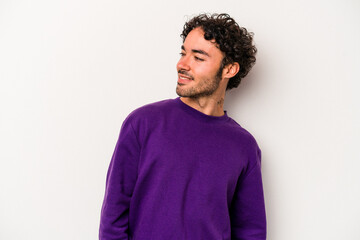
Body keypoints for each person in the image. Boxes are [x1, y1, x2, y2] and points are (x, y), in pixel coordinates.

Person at [99, 13, 266, 240]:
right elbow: (113, 218)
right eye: (183, 53)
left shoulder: (244, 146)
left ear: (229, 69)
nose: (182, 64)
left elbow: (250, 231)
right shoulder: (143, 123)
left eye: (198, 57)